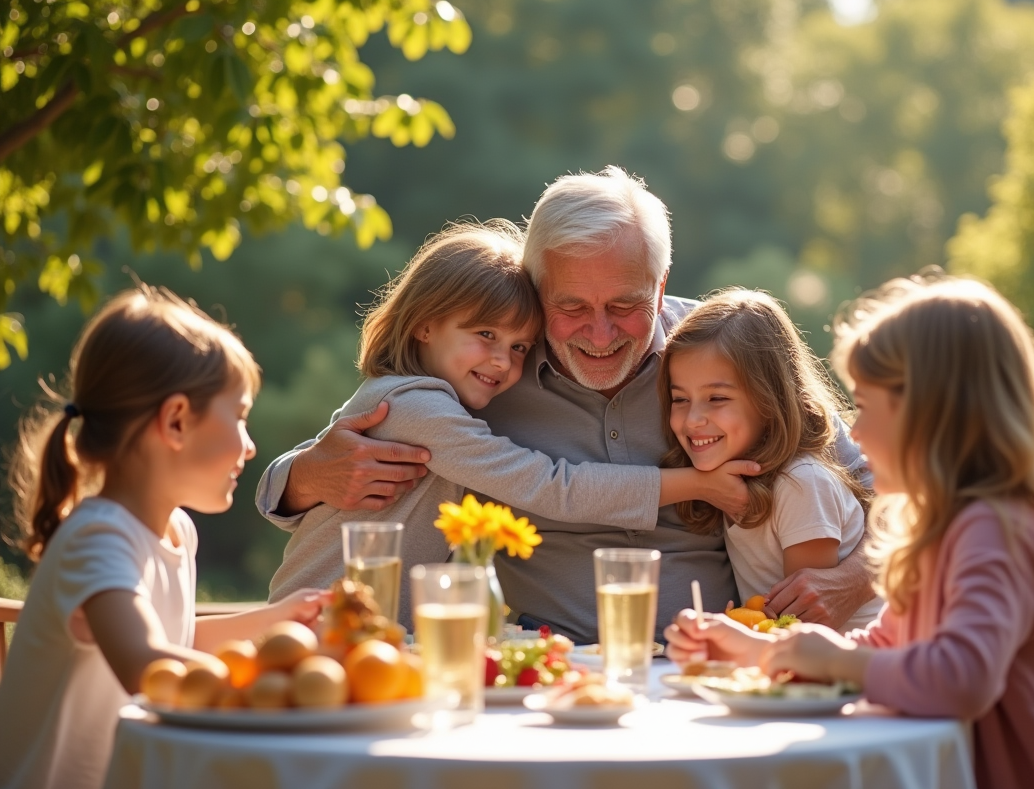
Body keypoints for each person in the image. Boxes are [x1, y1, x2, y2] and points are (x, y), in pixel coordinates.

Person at [258, 166, 875, 643]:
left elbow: (880, 482)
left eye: (626, 306)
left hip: (718, 659)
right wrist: (307, 475)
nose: (600, 334)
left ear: (660, 285)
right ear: (536, 288)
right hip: (554, 667)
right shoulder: (487, 373)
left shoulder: (722, 353)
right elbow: (305, 477)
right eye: (572, 307)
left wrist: (855, 578)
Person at [664, 273, 1034, 789]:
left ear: (935, 415)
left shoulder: (998, 528)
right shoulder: (942, 529)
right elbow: (886, 645)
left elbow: (961, 678)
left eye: (869, 407)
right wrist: (756, 649)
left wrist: (831, 656)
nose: (853, 431)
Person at [267, 219, 756, 628]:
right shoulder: (416, 407)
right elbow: (548, 486)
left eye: (519, 347)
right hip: (320, 621)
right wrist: (698, 483)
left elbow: (823, 445)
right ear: (424, 323)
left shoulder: (708, 340)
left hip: (379, 629)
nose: (503, 363)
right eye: (485, 335)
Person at [0, 287, 328, 789]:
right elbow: (146, 664)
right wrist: (287, 685)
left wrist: (278, 617)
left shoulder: (176, 528)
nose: (250, 444)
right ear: (176, 420)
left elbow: (175, 640)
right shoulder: (98, 537)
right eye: (239, 417)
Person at [659, 289, 883, 632]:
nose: (692, 420)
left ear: (769, 399)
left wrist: (726, 633)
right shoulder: (731, 477)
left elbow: (804, 625)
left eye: (716, 398)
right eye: (680, 399)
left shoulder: (801, 484)